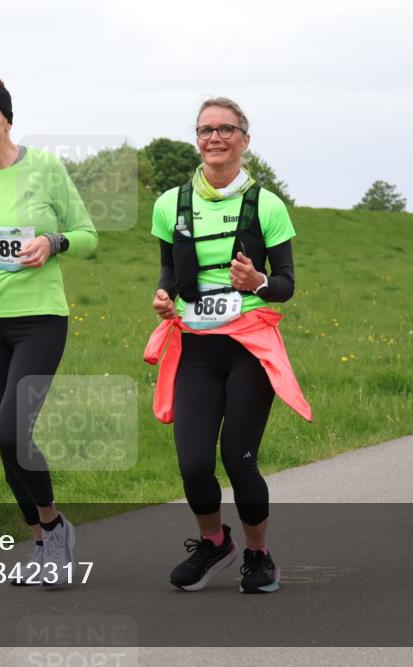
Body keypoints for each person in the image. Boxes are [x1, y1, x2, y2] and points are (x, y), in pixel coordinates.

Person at [147, 96, 311, 594]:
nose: (213, 138)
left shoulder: (266, 204)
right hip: (195, 346)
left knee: (237, 459)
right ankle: (216, 543)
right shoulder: (169, 204)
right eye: (204, 130)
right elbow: (171, 270)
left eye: (225, 129)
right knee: (194, 462)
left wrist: (257, 280)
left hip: (248, 347)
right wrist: (163, 294)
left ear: (244, 138)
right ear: (196, 138)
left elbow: (285, 283)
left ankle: (259, 555)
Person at [0, 74, 99, 587]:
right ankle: (42, 543)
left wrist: (54, 242)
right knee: (1, 439)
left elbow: (89, 236)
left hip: (40, 320)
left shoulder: (46, 168)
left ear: (7, 119)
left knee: (14, 431)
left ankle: (55, 528)